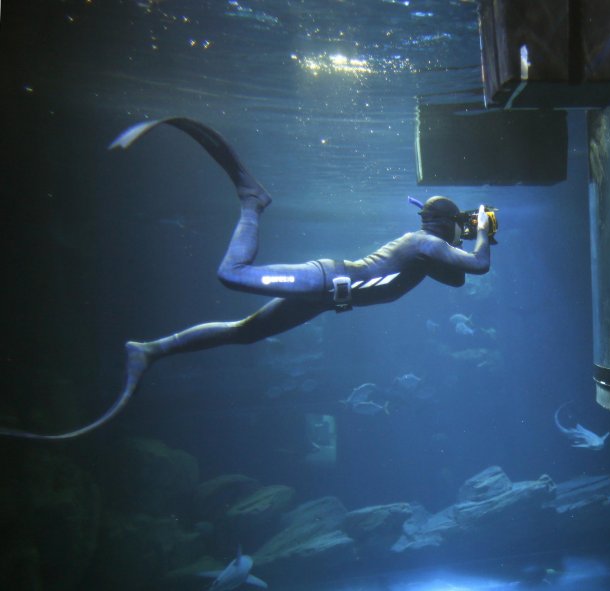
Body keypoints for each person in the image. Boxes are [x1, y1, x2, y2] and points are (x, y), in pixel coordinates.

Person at [0, 118, 491, 440]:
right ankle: (252, 199)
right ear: (444, 227)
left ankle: (150, 350)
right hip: (325, 281)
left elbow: (458, 281)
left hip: (326, 298)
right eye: (458, 228)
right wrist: (484, 233)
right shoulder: (423, 242)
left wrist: (474, 234)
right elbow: (477, 266)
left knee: (246, 333)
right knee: (231, 275)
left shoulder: (429, 253)